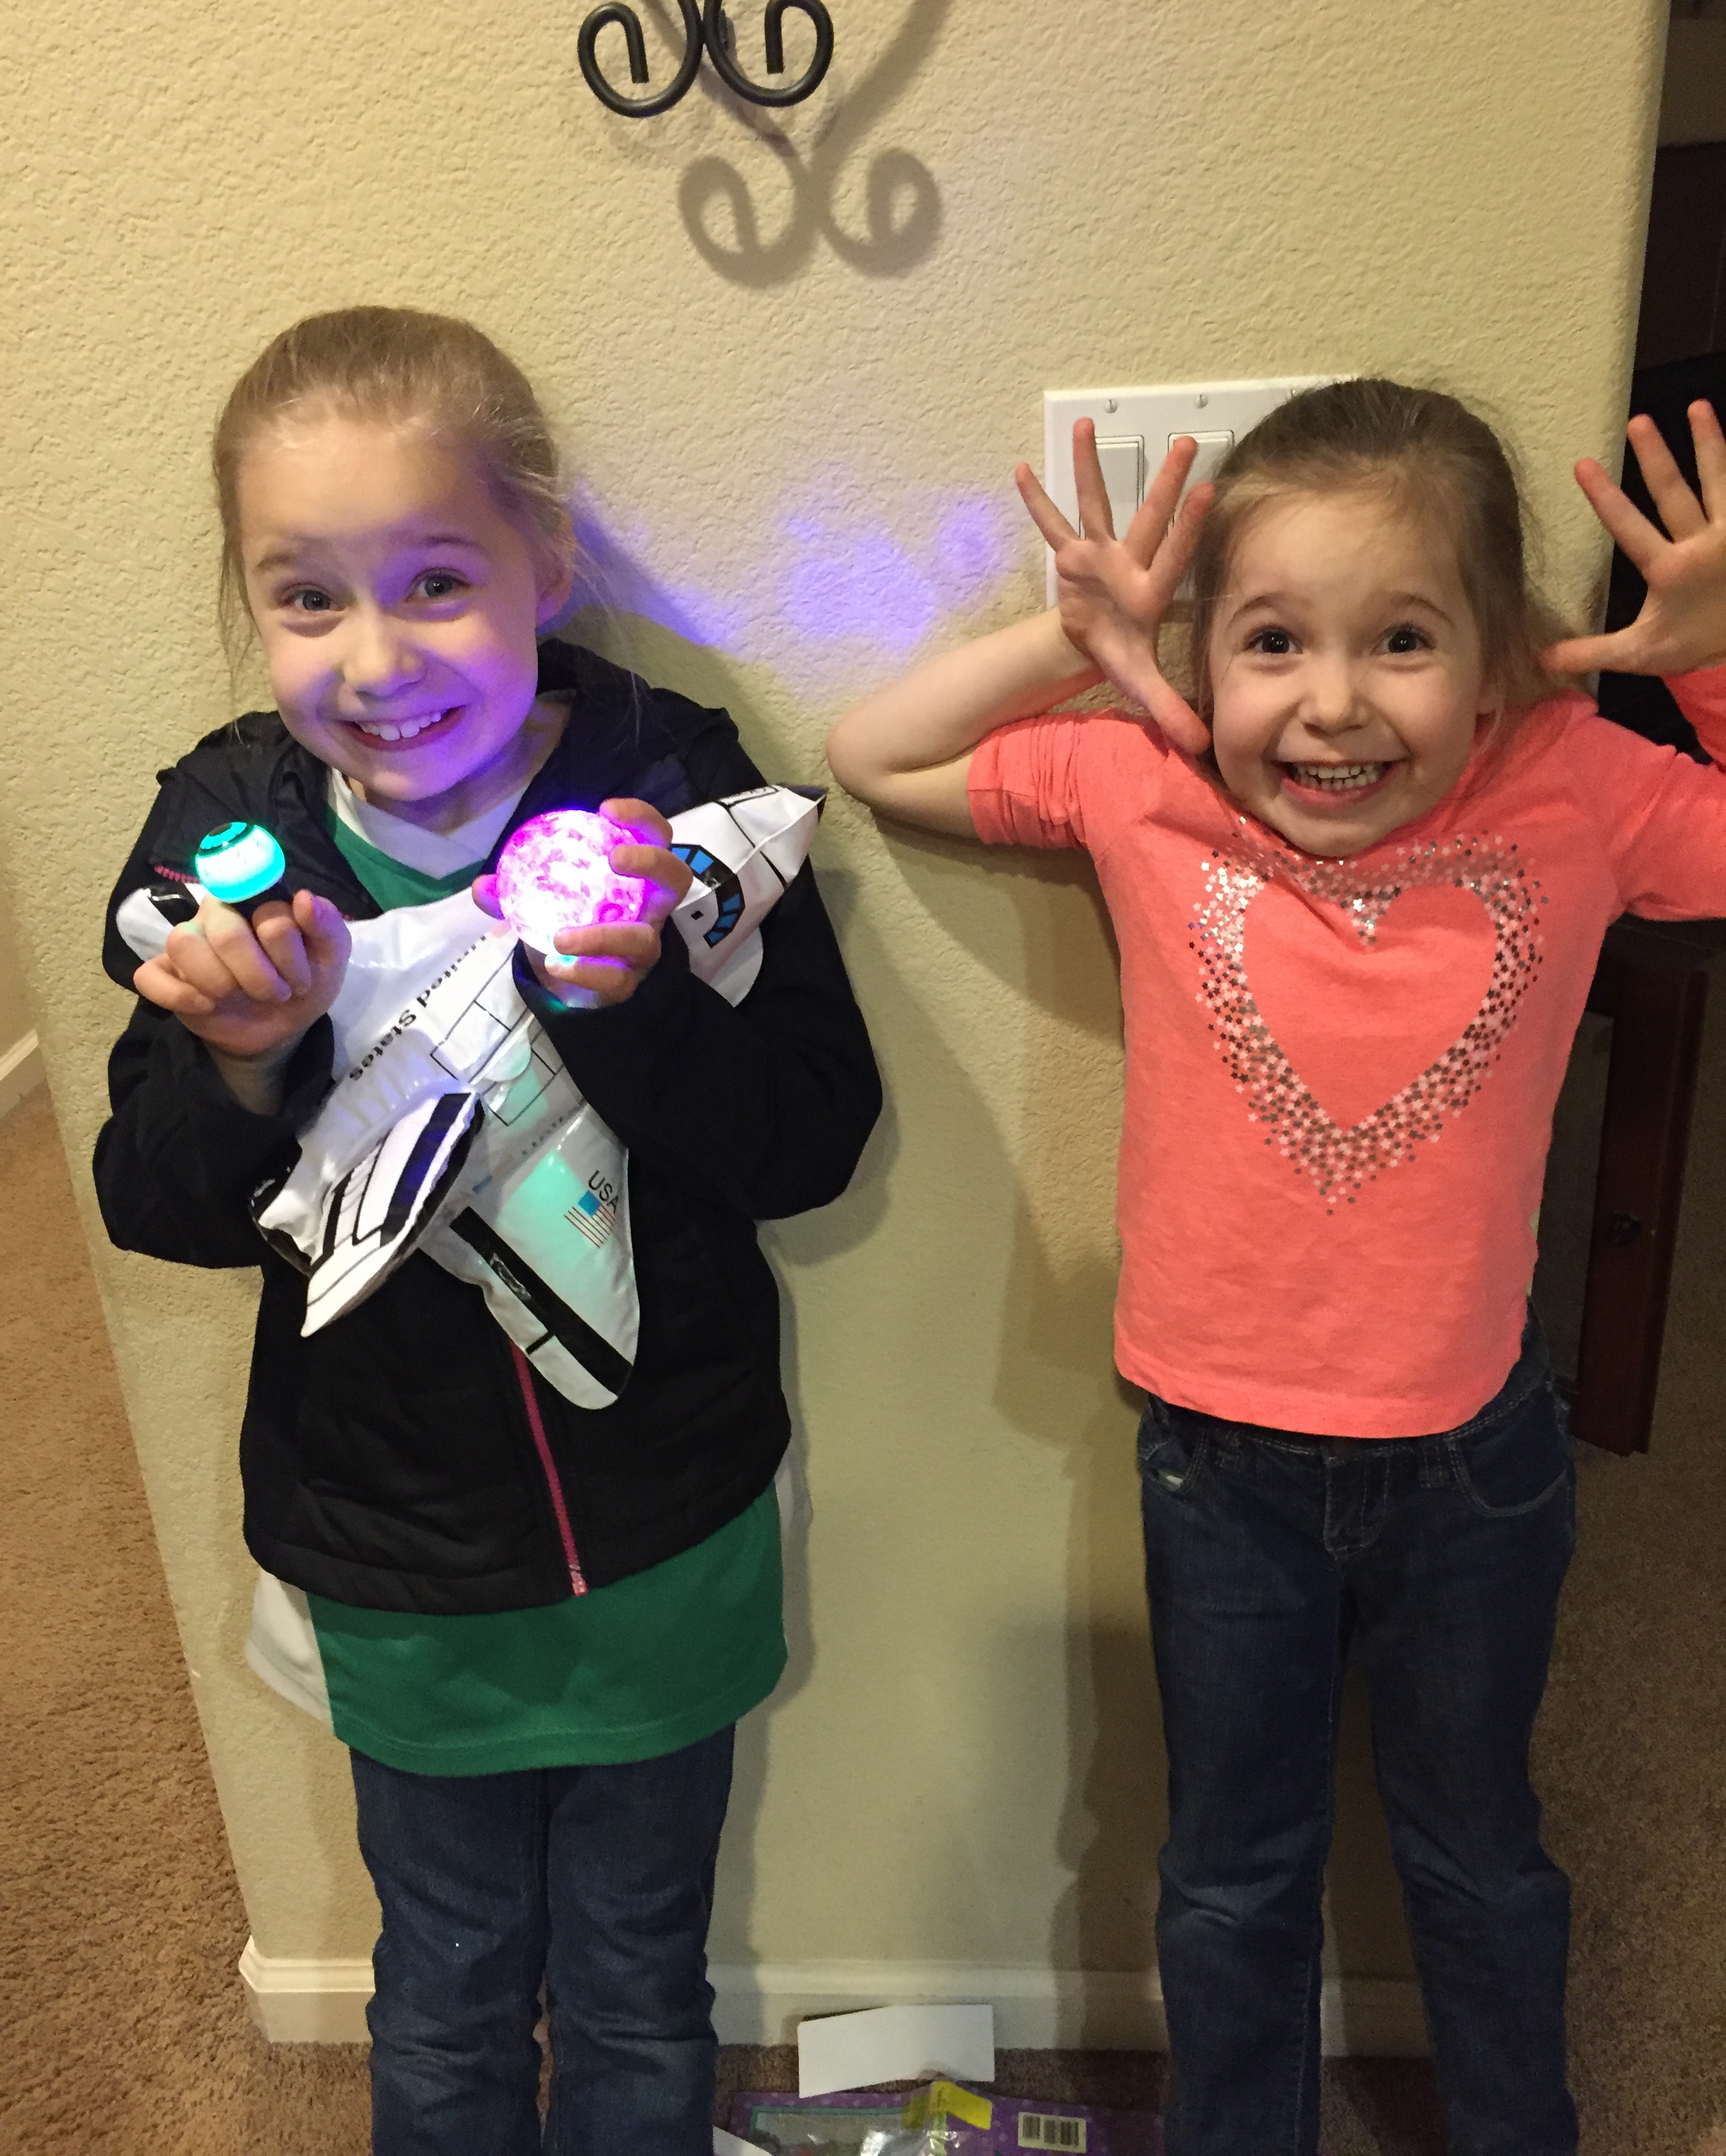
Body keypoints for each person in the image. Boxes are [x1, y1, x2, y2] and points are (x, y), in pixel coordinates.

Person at [826, 378, 1726, 2156]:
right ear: (1204, 659)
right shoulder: (1143, 779)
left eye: (1402, 639)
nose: (1332, 702)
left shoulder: (1579, 786)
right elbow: (874, 754)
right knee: (1233, 1871)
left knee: (1478, 1854)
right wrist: (1085, 642)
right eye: (1272, 642)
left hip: (1475, 1463)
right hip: (1218, 1464)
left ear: (1499, 664)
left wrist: (1708, 676)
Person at [94, 305, 881, 2156]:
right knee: (445, 1987)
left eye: (436, 581)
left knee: (640, 1982)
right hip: (398, 1567)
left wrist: (633, 1007)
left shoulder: (672, 793)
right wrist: (247, 1059)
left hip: (667, 1533)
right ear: (252, 605)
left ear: (549, 562)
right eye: (308, 597)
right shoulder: (230, 842)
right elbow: (151, 1202)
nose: (376, 661)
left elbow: (808, 1143)